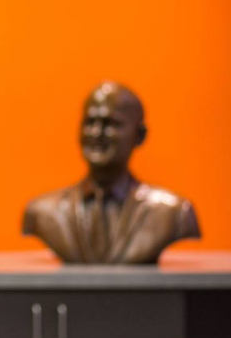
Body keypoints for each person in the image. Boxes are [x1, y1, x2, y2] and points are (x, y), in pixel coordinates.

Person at [23, 81, 200, 264]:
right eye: (90, 122)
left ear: (140, 135)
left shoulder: (174, 213)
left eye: (111, 124)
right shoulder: (43, 211)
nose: (97, 133)